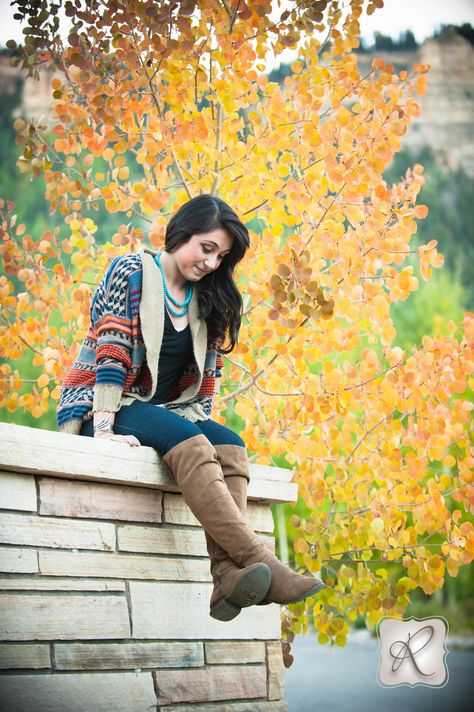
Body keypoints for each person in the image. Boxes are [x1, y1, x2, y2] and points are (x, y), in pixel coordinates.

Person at [57, 194, 324, 621]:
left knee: (231, 446)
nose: (211, 263)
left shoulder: (207, 297)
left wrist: (200, 423)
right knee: (195, 444)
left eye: (221, 256)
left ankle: (226, 577)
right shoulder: (132, 271)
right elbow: (113, 351)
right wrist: (103, 429)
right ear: (182, 232)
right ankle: (264, 563)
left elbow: (204, 384)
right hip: (103, 401)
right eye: (206, 248)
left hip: (164, 409)